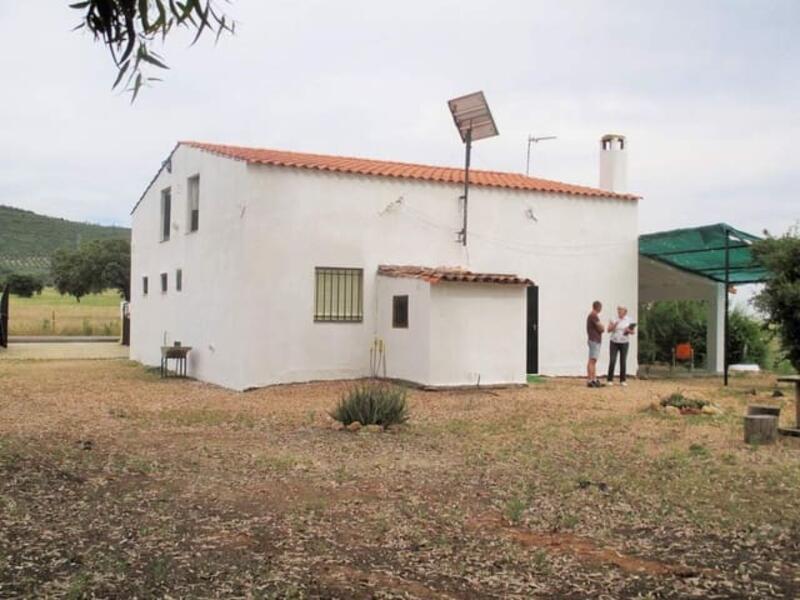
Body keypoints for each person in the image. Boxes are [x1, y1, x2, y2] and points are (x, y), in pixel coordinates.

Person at [606, 306, 635, 386]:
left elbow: (633, 332)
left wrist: (628, 330)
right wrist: (614, 326)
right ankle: (610, 379)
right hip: (614, 342)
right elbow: (608, 330)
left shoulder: (629, 320)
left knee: (623, 361)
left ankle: (622, 380)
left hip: (624, 342)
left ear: (625, 312)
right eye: (618, 310)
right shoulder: (613, 318)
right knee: (612, 360)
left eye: (621, 310)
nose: (619, 312)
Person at [586, 300, 604, 387]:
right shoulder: (593, 316)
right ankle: (590, 380)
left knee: (593, 360)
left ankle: (594, 379)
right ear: (599, 307)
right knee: (592, 360)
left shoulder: (592, 315)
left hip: (593, 340)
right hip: (594, 340)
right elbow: (601, 328)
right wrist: (602, 327)